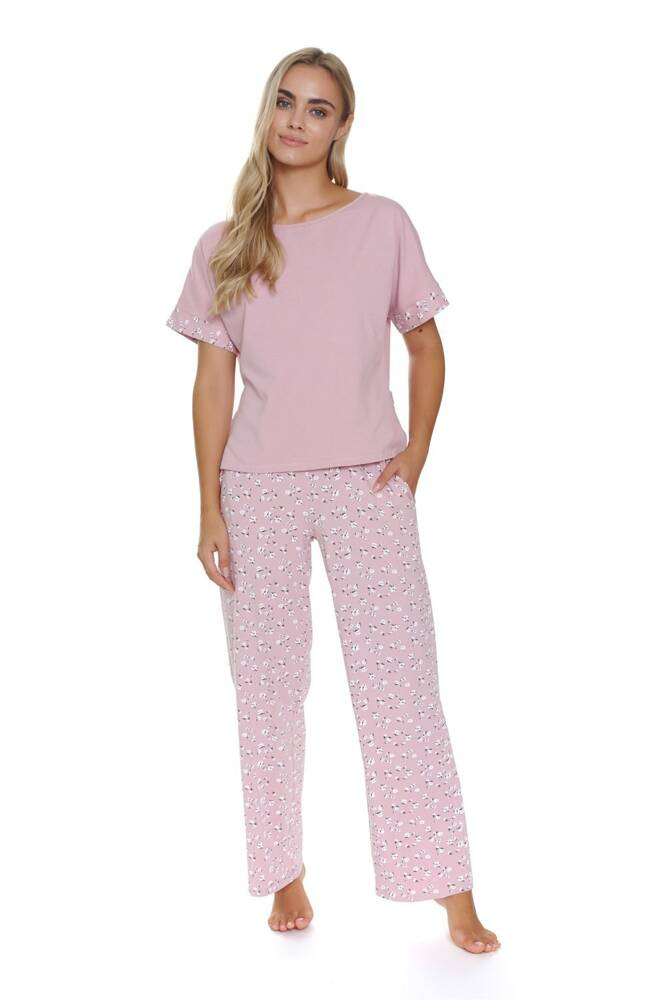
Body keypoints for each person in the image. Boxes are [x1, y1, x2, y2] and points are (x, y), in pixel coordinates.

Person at [165, 47, 500, 954]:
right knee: (266, 692)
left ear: (341, 127)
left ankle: (449, 889)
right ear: (267, 111)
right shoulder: (225, 242)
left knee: (401, 688)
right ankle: (282, 872)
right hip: (256, 489)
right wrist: (208, 508)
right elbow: (210, 384)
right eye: (286, 101)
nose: (296, 121)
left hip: (367, 484)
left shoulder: (382, 222)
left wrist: (415, 455)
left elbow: (424, 345)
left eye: (317, 109)